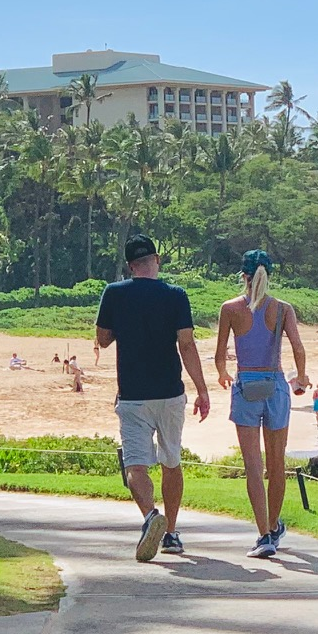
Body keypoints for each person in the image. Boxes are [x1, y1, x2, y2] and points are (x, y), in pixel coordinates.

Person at [96, 235, 211, 561]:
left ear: (130, 266)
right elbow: (186, 345)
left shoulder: (114, 293)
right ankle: (171, 533)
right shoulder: (175, 295)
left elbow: (103, 339)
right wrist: (202, 390)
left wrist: (123, 326)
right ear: (156, 260)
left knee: (135, 463)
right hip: (170, 392)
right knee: (171, 461)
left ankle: (150, 515)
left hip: (133, 393)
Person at [215, 249, 309, 560]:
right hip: (275, 385)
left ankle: (264, 534)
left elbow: (220, 355)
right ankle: (273, 526)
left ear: (243, 275)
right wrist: (302, 378)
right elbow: (297, 347)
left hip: (247, 387)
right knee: (277, 464)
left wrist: (223, 374)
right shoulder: (282, 309)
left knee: (253, 467)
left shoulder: (229, 308)